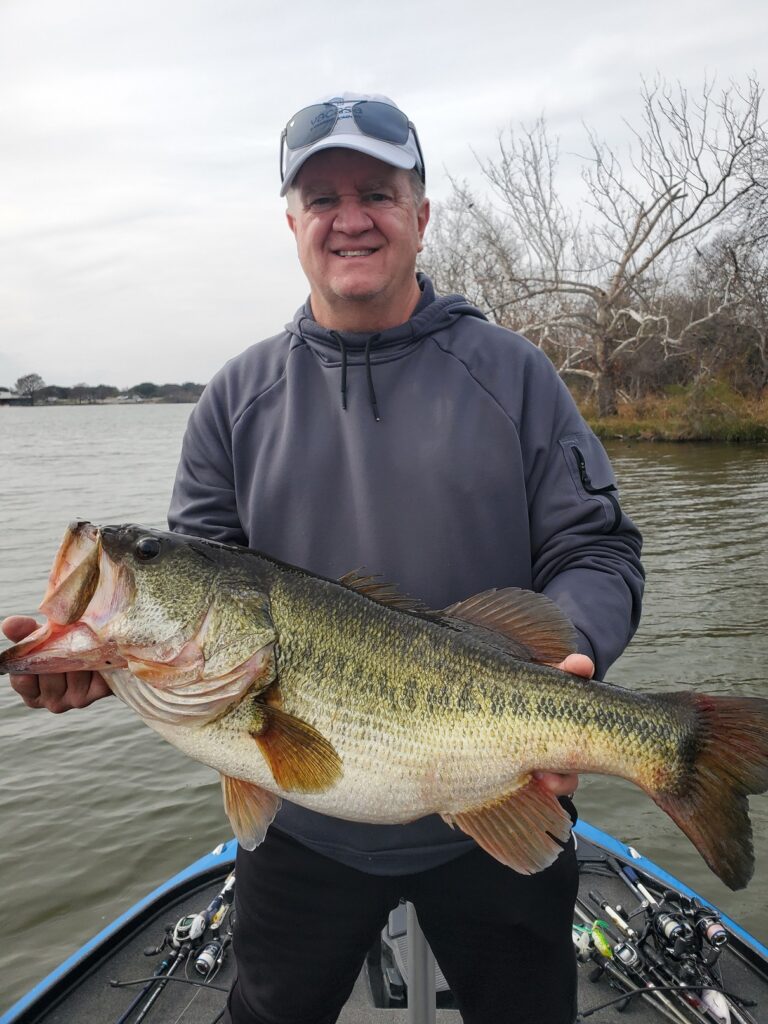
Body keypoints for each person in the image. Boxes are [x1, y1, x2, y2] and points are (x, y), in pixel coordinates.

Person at [4, 92, 644, 1023]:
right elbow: (203, 608)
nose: (351, 217)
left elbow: (597, 550)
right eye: (323, 196)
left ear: (421, 215)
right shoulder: (234, 398)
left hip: (495, 805)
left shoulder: (514, 376)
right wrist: (102, 663)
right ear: (293, 222)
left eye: (377, 192)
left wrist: (572, 647)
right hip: (296, 830)